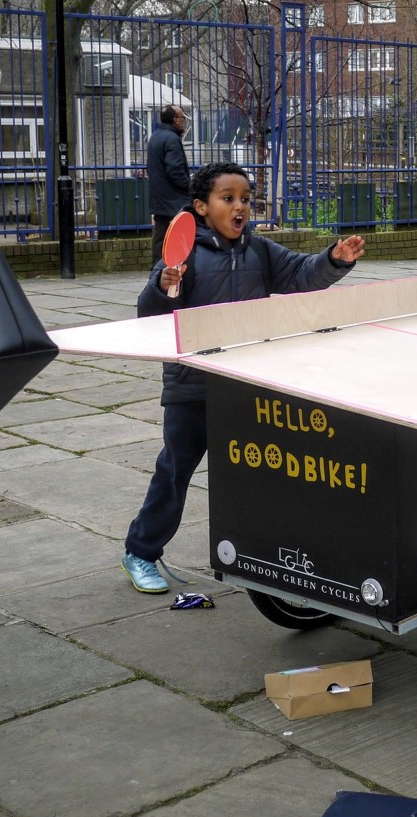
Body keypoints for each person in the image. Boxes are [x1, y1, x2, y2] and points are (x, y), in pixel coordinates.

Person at [121, 162, 366, 593]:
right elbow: (149, 316)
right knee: (175, 472)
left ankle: (272, 558)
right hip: (192, 388)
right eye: (228, 199)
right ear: (201, 207)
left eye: (246, 199)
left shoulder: (260, 251)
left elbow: (302, 275)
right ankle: (141, 551)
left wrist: (333, 260)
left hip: (244, 386)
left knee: (263, 474)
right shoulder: (184, 256)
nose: (241, 207)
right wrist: (165, 286)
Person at [147, 104, 191, 264]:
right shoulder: (172, 139)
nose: (184, 121)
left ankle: (157, 272)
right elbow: (175, 171)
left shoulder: (156, 136)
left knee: (161, 238)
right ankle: (175, 271)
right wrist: (191, 187)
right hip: (174, 201)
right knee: (179, 238)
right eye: (182, 118)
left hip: (159, 198)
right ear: (175, 121)